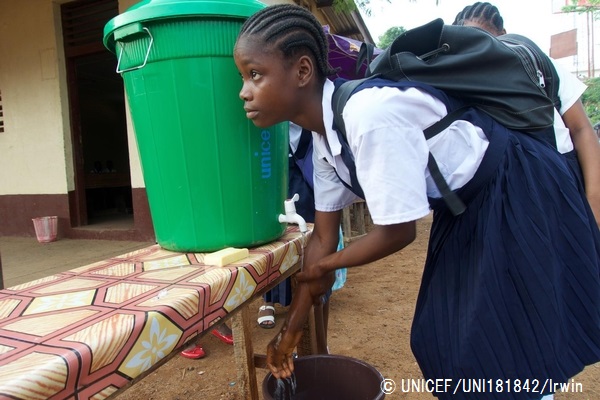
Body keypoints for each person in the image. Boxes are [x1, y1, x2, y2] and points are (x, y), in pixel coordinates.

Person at [233, 4, 600, 399]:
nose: (243, 91)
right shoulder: (324, 143)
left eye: (255, 75)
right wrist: (289, 336)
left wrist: (330, 263)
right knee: (441, 337)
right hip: (463, 207)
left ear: (302, 71)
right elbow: (323, 241)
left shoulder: (367, 115)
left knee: (510, 330)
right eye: (243, 77)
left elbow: (397, 232)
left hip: (516, 187)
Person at [453, 2, 600, 225]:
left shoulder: (540, 64)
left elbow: (581, 129)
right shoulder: (458, 80)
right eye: (470, 42)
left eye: (485, 40)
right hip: (502, 201)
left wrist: (594, 203)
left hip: (561, 185)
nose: (481, 51)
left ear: (503, 35)